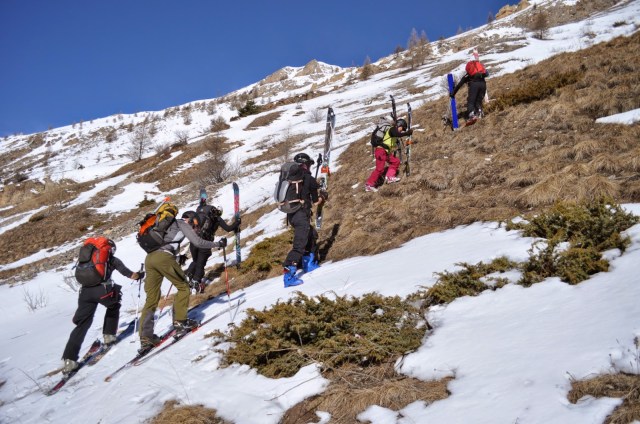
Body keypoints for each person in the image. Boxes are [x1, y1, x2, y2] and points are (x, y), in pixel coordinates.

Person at [138, 205, 226, 353]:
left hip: (150, 259)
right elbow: (198, 242)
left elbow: (163, 246)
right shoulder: (180, 223)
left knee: (152, 298)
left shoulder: (161, 225)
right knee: (184, 287)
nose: (194, 226)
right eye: (194, 223)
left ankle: (146, 338)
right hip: (163, 258)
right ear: (189, 219)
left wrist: (178, 258)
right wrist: (218, 244)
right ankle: (180, 322)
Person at [62, 239, 143, 374]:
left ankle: (69, 361)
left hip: (85, 293)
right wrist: (139, 275)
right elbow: (130, 274)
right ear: (110, 249)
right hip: (103, 291)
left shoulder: (84, 260)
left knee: (82, 324)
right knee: (113, 306)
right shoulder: (111, 259)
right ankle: (109, 336)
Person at [282, 153, 326, 287]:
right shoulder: (309, 179)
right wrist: (323, 197)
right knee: (299, 245)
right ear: (306, 165)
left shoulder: (291, 178)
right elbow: (316, 201)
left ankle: (308, 264)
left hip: (291, 215)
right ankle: (289, 276)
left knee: (311, 235)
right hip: (301, 215)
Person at [183, 201, 240, 293]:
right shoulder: (217, 218)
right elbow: (228, 228)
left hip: (194, 241)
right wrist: (237, 222)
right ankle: (195, 283)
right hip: (205, 243)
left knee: (195, 261)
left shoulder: (201, 214)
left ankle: (189, 275)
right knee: (201, 264)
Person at [365, 118, 413, 192]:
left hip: (385, 152)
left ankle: (390, 177)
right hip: (381, 151)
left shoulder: (393, 131)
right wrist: (407, 133)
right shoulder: (392, 129)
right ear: (399, 125)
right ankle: (369, 185)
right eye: (402, 128)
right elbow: (397, 134)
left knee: (395, 161)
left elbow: (396, 138)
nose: (402, 130)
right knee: (379, 169)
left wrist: (409, 140)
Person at [451, 49, 489, 122]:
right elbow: (487, 74)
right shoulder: (481, 71)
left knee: (471, 101)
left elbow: (459, 85)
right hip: (483, 84)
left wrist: (453, 93)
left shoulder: (467, 75)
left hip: (474, 85)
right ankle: (480, 113)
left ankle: (471, 115)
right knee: (478, 100)